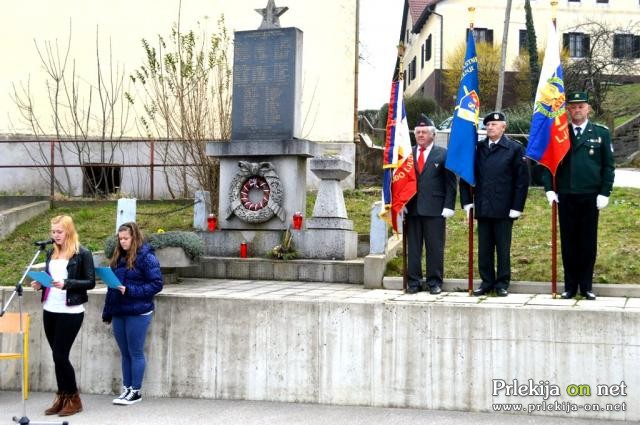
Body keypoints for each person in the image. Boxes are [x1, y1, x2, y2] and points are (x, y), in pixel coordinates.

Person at [542, 91, 615, 300]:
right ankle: (570, 286)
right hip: (566, 195)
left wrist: (604, 192)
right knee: (569, 242)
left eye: (581, 106)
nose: (577, 110)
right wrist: (549, 188)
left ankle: (586, 286)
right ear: (568, 110)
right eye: (573, 107)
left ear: (588, 108)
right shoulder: (559, 133)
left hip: (590, 196)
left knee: (588, 243)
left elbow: (608, 166)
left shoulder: (601, 132)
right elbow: (549, 164)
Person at [31, 215, 95, 417]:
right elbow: (51, 278)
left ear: (68, 231)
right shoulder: (52, 252)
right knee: (57, 357)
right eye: (53, 231)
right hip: (50, 309)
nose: (55, 235)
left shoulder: (82, 253)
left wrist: (67, 284)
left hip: (70, 311)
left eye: (59, 231)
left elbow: (90, 282)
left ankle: (74, 398)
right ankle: (62, 397)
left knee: (60, 355)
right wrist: (40, 283)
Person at [460, 112, 529, 297]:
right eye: (488, 124)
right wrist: (467, 201)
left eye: (494, 124)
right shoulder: (478, 148)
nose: (490, 127)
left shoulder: (514, 149)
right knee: (485, 248)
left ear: (503, 127)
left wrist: (517, 206)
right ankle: (487, 281)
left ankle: (502, 283)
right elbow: (466, 176)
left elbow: (522, 181)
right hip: (483, 206)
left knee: (502, 248)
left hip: (504, 208)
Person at [102, 222, 163, 405]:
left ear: (134, 237)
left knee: (135, 352)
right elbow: (112, 288)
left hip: (138, 311)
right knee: (125, 353)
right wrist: (108, 311)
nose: (122, 242)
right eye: (120, 239)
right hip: (120, 310)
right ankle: (127, 389)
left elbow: (156, 284)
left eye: (126, 238)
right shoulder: (118, 258)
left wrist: (129, 291)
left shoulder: (147, 257)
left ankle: (136, 391)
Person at [404, 113, 457, 294]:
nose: (420, 135)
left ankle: (434, 282)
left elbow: (450, 183)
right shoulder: (407, 154)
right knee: (413, 248)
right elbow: (400, 181)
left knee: (434, 248)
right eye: (417, 132)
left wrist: (449, 205)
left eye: (424, 132)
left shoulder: (443, 154)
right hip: (411, 208)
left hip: (435, 209)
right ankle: (414, 282)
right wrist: (401, 203)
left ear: (433, 134)